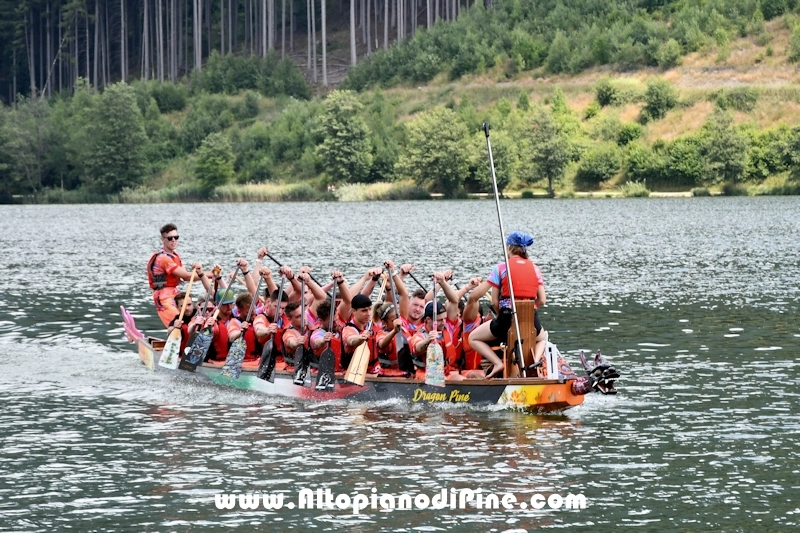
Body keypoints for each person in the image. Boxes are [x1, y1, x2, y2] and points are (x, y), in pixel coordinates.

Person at [467, 231, 546, 378]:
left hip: (506, 319)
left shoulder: (501, 268)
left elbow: (494, 301)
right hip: (530, 318)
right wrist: (528, 309)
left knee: (473, 338)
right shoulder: (535, 269)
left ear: (509, 247)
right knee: (542, 338)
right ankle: (534, 361)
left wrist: (500, 314)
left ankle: (497, 363)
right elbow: (542, 300)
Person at [147, 223, 203, 327]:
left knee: (189, 317)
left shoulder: (175, 256)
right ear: (163, 240)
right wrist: (208, 275)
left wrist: (206, 276)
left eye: (176, 237)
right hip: (164, 297)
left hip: (174, 294)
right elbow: (187, 276)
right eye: (170, 238)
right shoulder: (163, 258)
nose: (173, 240)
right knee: (178, 324)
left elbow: (187, 277)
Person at [410, 300, 462, 381]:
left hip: (445, 371)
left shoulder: (446, 327)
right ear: (428, 319)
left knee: (463, 379)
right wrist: (428, 340)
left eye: (445, 319)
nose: (443, 322)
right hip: (426, 373)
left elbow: (454, 300)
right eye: (439, 320)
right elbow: (418, 347)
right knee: (443, 380)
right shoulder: (420, 334)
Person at [341, 293, 378, 373]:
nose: (368, 313)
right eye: (364, 310)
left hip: (373, 370)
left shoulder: (371, 325)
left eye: (369, 309)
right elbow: (350, 340)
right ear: (354, 311)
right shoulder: (348, 329)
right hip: (354, 372)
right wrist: (361, 337)